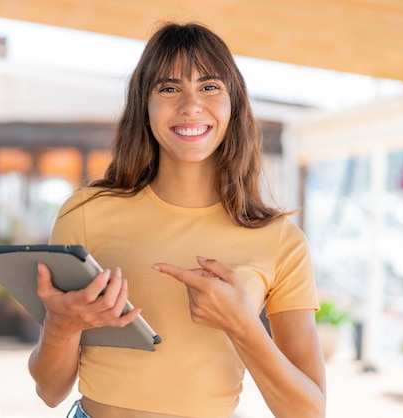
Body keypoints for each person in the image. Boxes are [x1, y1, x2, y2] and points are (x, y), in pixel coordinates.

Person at [28, 21, 326, 418]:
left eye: (209, 87)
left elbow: (309, 412)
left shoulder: (280, 241)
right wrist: (61, 328)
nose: (190, 106)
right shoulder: (84, 213)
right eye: (169, 88)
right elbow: (49, 390)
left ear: (233, 102)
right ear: (144, 104)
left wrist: (242, 326)